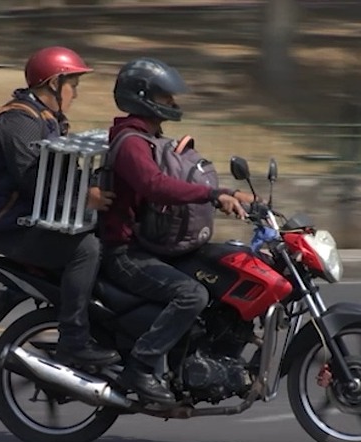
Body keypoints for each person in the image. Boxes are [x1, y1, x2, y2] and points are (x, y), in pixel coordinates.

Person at [99, 57, 255, 405]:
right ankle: (139, 368)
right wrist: (214, 195)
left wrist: (231, 194)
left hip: (148, 246)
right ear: (143, 97)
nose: (173, 103)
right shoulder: (130, 143)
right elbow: (157, 187)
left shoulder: (148, 138)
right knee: (191, 295)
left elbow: (177, 179)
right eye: (165, 96)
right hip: (124, 253)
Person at [0, 46, 120, 367]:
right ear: (54, 83)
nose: (75, 94)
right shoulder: (18, 122)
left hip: (32, 219)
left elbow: (62, 168)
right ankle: (73, 340)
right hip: (8, 226)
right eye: (73, 85)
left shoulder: (47, 119)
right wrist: (85, 196)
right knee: (86, 249)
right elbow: (34, 179)